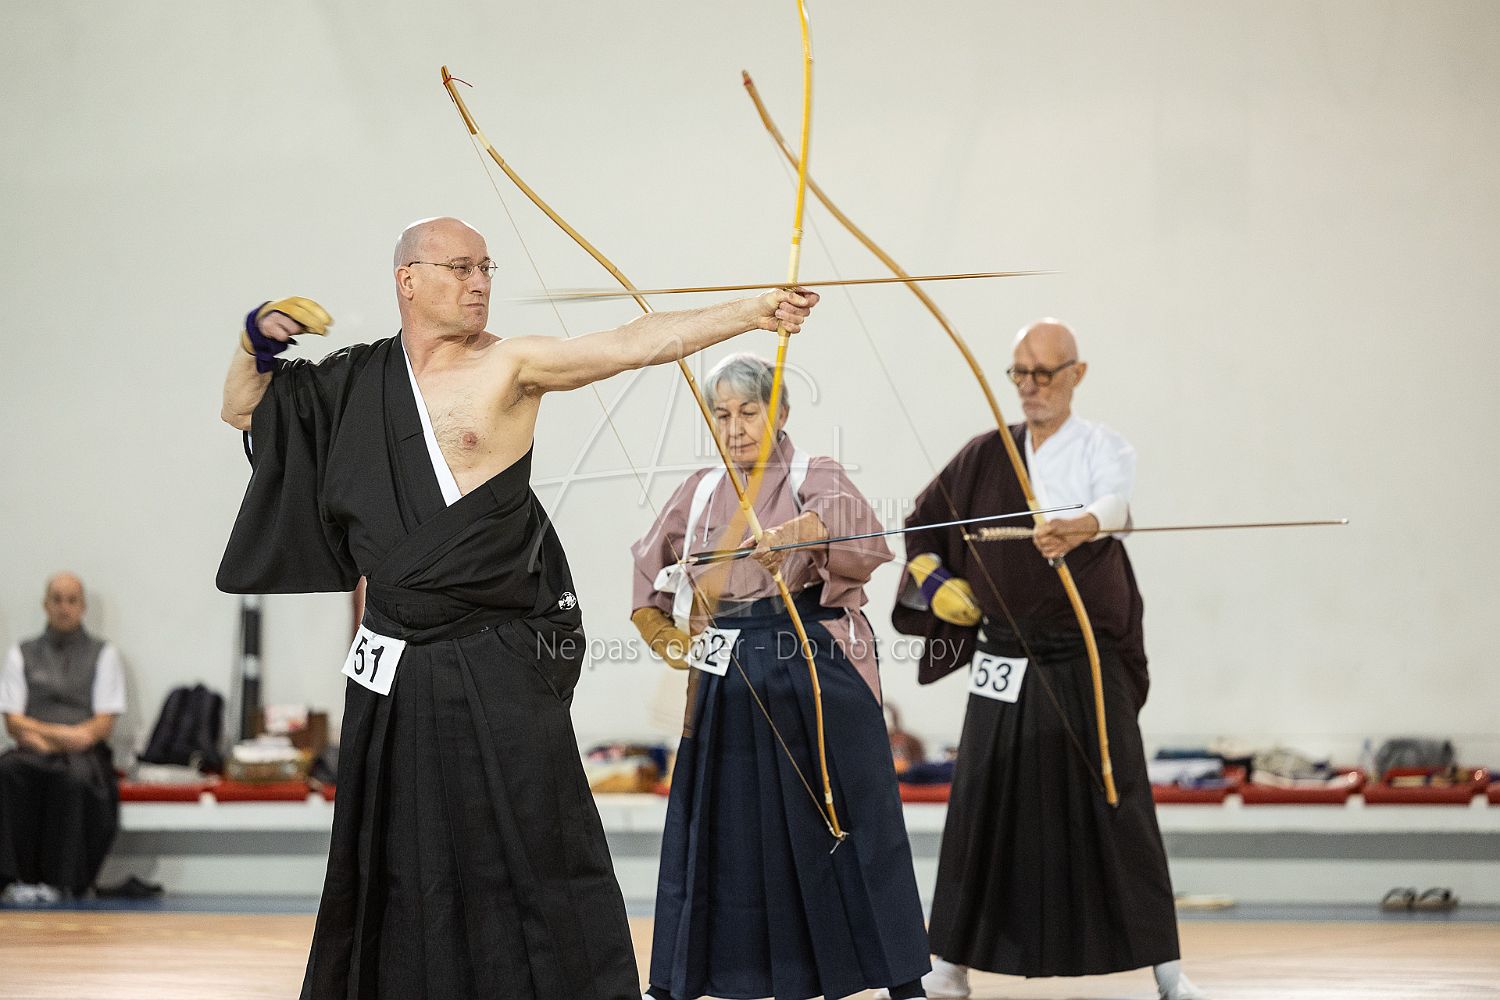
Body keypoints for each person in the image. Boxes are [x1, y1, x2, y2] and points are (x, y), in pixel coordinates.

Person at [216, 217, 819, 1000]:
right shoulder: (355, 380)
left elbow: (628, 343)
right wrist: (257, 338)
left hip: (494, 654)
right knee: (395, 849)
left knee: (536, 843)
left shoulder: (509, 364)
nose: (479, 282)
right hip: (394, 657)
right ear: (408, 280)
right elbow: (243, 408)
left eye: (486, 267)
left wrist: (752, 311)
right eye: (460, 267)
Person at [888, 320, 1208, 1000]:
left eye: (1044, 373)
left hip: (1082, 654)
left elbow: (1115, 506)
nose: (1030, 387)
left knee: (1117, 799)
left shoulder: (1103, 447)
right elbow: (923, 524)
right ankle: (950, 963)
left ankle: (1166, 969)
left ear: (1076, 375)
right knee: (979, 799)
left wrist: (1079, 525)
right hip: (1002, 653)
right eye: (1020, 373)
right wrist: (941, 587)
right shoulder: (987, 455)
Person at [632, 353, 931, 1000]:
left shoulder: (813, 472)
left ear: (782, 413)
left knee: (850, 808)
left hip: (809, 654)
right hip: (726, 664)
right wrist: (662, 632)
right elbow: (649, 568)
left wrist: (796, 534)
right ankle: (688, 977)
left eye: (750, 412)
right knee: (721, 821)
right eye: (722, 414)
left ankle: (901, 978)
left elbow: (857, 532)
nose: (735, 427)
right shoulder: (701, 489)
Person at [0, 572, 126, 904]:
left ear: (82, 607)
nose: (64, 607)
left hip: (83, 753)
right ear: (46, 605)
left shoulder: (104, 654)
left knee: (75, 780)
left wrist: (62, 738)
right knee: (7, 771)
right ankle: (13, 878)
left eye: (71, 600)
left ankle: (66, 881)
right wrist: (59, 736)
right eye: (57, 600)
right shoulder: (21, 653)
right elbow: (13, 721)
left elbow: (102, 724)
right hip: (32, 748)